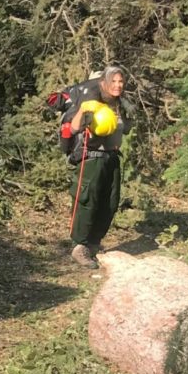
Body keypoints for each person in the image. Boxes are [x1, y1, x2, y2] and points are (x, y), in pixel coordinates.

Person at [60, 65, 127, 268]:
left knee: (110, 201)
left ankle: (93, 244)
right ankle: (79, 247)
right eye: (113, 81)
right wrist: (83, 110)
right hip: (92, 158)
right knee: (87, 201)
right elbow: (73, 128)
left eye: (120, 81)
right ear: (103, 83)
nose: (117, 85)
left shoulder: (121, 104)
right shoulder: (91, 102)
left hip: (112, 157)